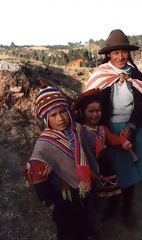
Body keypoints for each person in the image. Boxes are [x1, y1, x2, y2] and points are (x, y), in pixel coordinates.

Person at [83, 29, 142, 225]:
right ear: (109, 54)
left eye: (124, 52)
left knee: (130, 172)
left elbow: (141, 103)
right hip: (107, 128)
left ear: (128, 53)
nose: (121, 56)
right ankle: (111, 207)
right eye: (116, 52)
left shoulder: (135, 73)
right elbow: (90, 104)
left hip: (131, 126)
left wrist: (131, 126)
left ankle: (126, 210)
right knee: (112, 171)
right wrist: (100, 130)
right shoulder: (100, 75)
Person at [25, 86, 95, 240]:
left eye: (63, 112)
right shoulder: (44, 145)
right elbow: (38, 179)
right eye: (53, 115)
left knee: (85, 223)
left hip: (84, 193)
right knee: (68, 231)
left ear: (68, 111)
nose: (60, 119)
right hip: (62, 198)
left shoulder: (78, 130)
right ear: (46, 119)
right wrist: (50, 202)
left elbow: (92, 150)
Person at [73, 88, 133, 235]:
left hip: (105, 168)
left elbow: (113, 139)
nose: (95, 114)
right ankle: (91, 227)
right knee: (90, 199)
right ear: (82, 112)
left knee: (105, 195)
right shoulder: (78, 130)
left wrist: (123, 141)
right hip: (89, 169)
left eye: (98, 110)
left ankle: (105, 216)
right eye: (91, 111)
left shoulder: (102, 129)